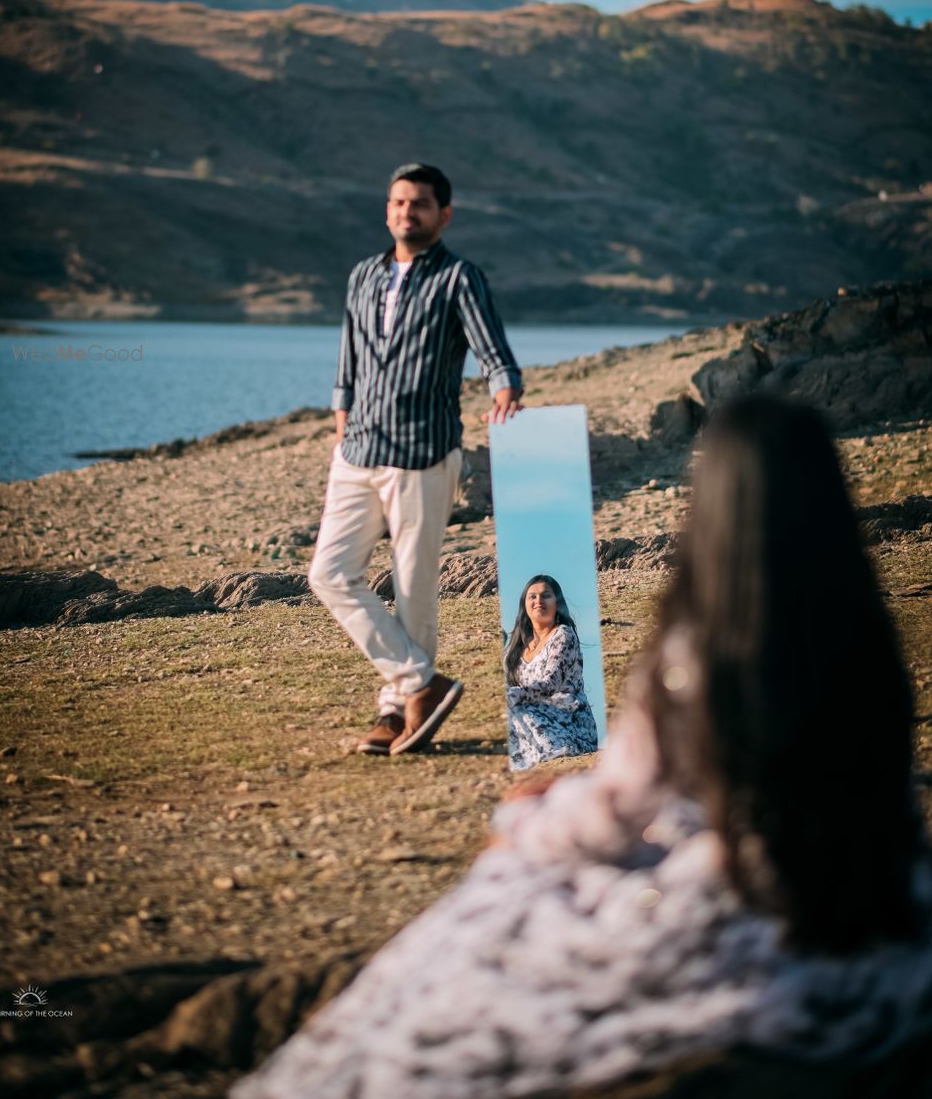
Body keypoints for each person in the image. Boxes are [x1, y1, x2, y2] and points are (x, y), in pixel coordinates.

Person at [232, 395, 932, 1099]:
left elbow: (617, 807)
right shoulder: (869, 639)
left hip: (737, 894)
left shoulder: (695, 655)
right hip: (863, 890)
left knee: (501, 903)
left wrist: (522, 828)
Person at [308, 162, 522, 757]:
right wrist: (342, 418)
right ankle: (420, 684)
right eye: (399, 202)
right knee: (329, 573)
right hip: (357, 451)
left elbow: (490, 346)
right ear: (387, 210)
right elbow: (348, 357)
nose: (408, 212)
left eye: (420, 204)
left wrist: (504, 386)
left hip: (423, 456)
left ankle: (396, 713)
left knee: (413, 591)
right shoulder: (362, 277)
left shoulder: (459, 278)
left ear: (443, 215)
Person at [503, 573, 599, 769]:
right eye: (533, 596)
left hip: (570, 723)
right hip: (533, 714)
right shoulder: (519, 646)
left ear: (557, 603)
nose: (538, 601)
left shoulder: (562, 634)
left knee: (517, 708)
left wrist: (511, 695)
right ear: (525, 604)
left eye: (545, 595)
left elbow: (550, 684)